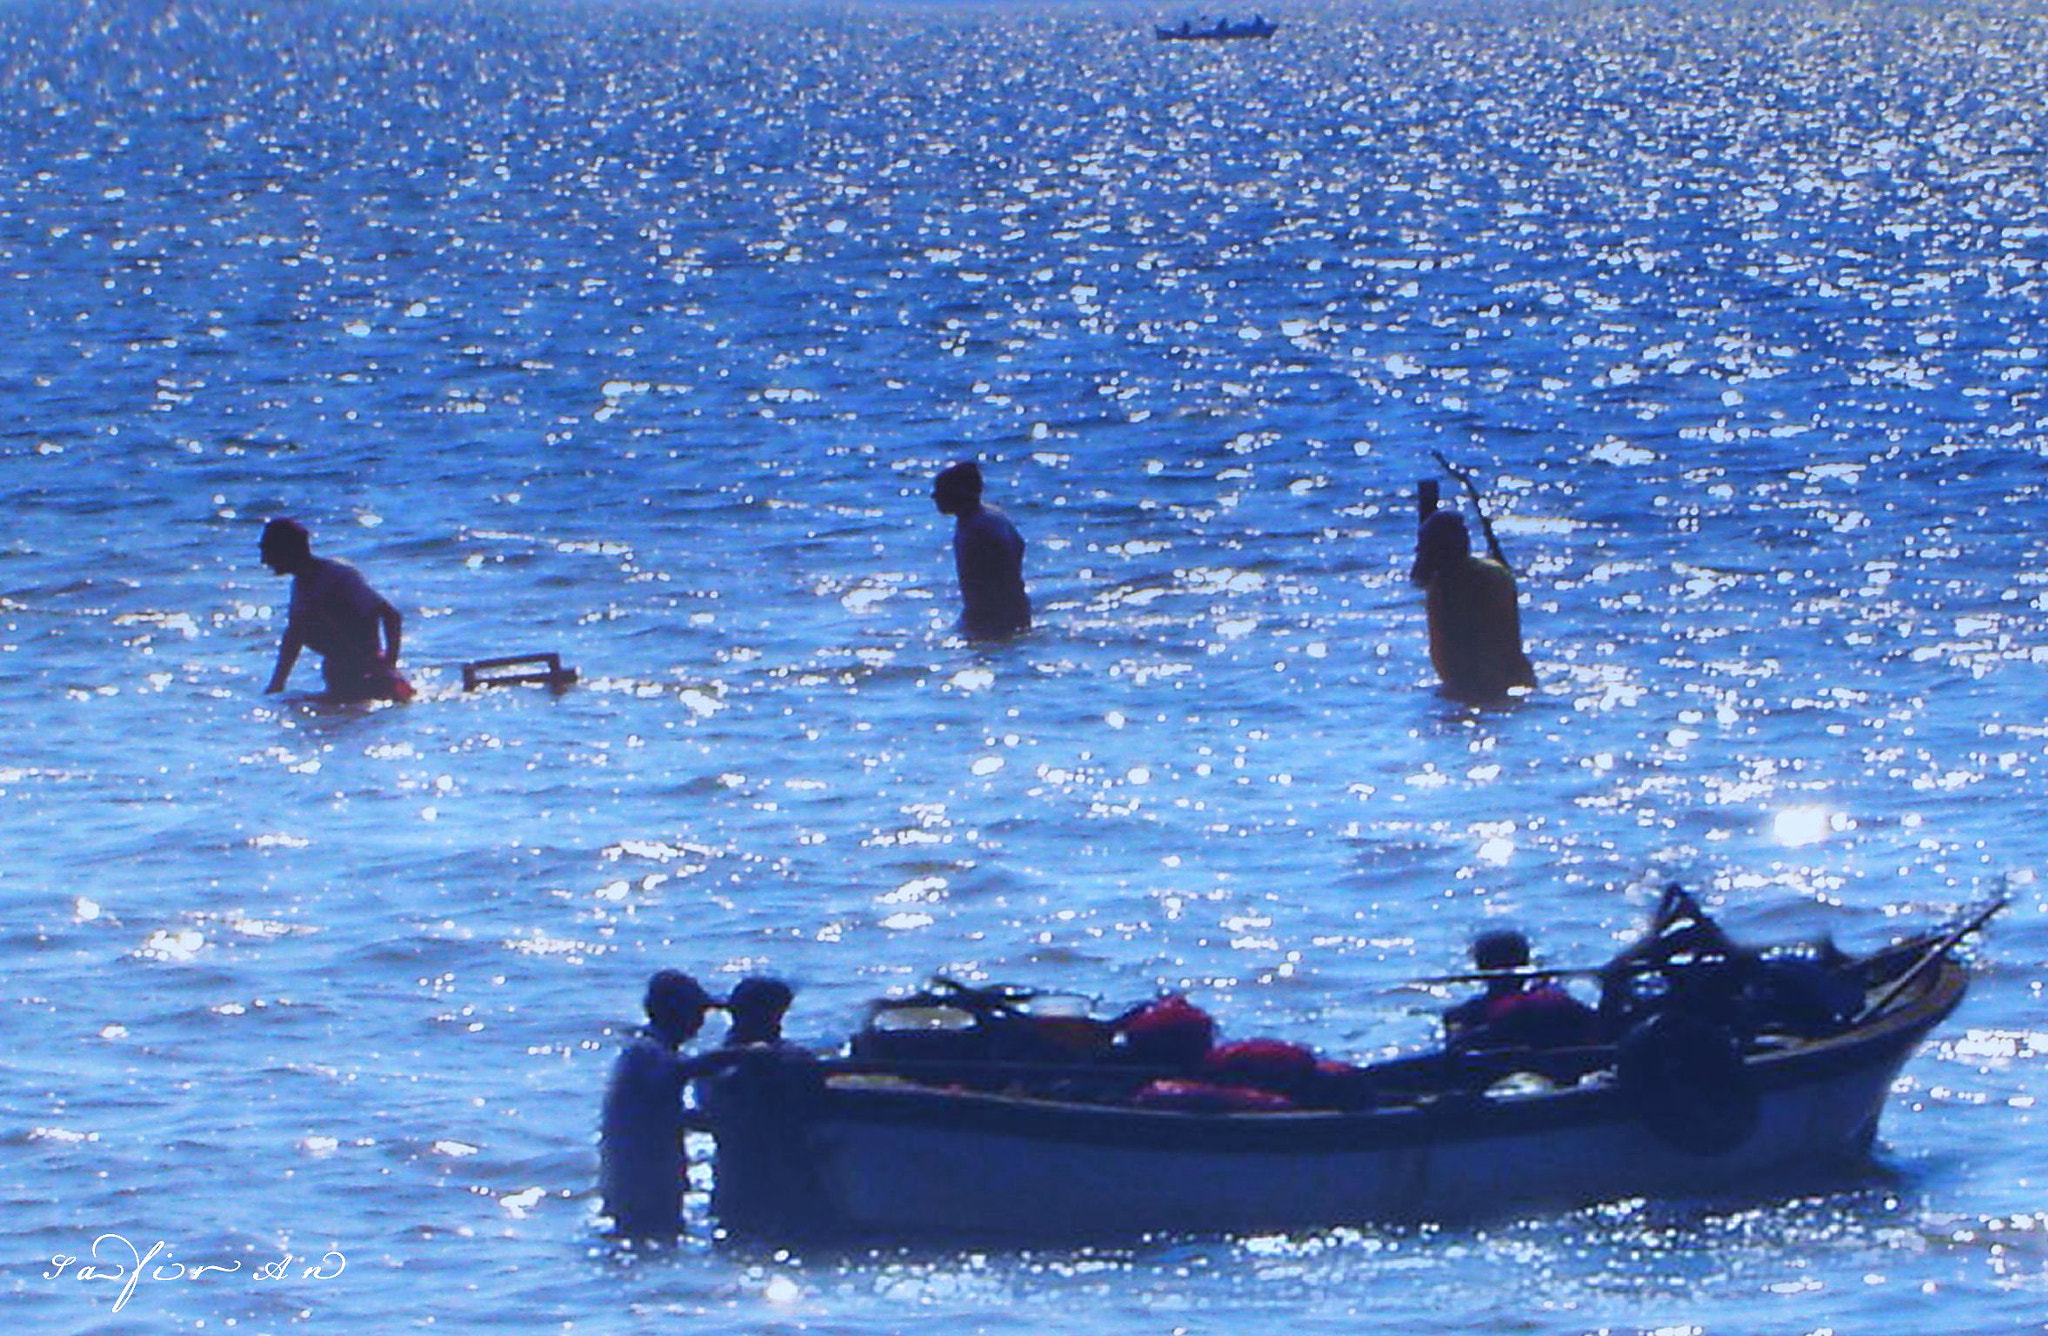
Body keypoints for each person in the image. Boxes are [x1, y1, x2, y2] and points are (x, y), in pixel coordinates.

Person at [597, 970, 723, 1238]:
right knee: (650, 1240)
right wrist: (732, 1057)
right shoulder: (646, 1052)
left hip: (639, 1177)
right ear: (675, 1013)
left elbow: (661, 1113)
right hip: (641, 1180)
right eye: (697, 1012)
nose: (701, 1023)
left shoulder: (648, 1051)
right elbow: (676, 1074)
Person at [259, 518, 413, 702]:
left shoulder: (337, 576)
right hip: (342, 681)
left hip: (371, 678)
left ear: (288, 549)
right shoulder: (301, 584)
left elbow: (391, 615)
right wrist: (277, 684)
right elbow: (294, 636)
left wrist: (389, 665)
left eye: (268, 550)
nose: (264, 560)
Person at [1409, 509, 1535, 702]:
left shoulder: (1444, 587)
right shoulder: (1496, 574)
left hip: (1471, 686)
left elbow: (1418, 578)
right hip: (1515, 678)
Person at [1443, 928, 1598, 1052]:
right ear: (1525, 962)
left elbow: (1455, 1051)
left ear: (1480, 967)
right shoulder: (1557, 1002)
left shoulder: (1465, 1015)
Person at [932, 460, 1031, 640]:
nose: (934, 496)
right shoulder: (991, 517)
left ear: (961, 492)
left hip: (992, 617)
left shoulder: (978, 528)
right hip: (1011, 610)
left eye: (941, 491)